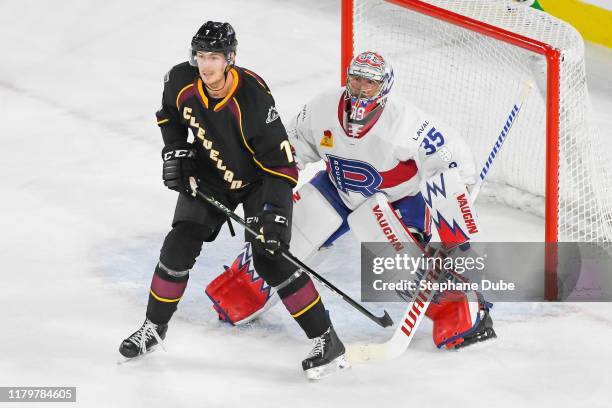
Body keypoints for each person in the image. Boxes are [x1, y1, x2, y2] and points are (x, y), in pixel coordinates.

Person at [209, 50, 496, 350]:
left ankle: (464, 310)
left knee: (400, 269)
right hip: (336, 189)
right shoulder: (323, 108)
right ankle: (244, 290)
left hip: (398, 200)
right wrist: (265, 181)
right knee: (282, 240)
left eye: (369, 82)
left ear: (384, 87)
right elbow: (289, 147)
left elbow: (451, 162)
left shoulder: (407, 123)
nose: (361, 88)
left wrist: (454, 221)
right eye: (357, 79)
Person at [118, 21, 349, 380]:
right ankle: (153, 328)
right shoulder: (180, 80)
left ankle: (326, 339)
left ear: (230, 59)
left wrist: (275, 216)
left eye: (214, 57)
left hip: (261, 181)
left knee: (270, 260)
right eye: (200, 56)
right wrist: (176, 151)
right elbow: (169, 116)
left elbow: (281, 166)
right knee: (177, 246)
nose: (206, 65)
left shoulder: (254, 100)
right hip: (212, 175)